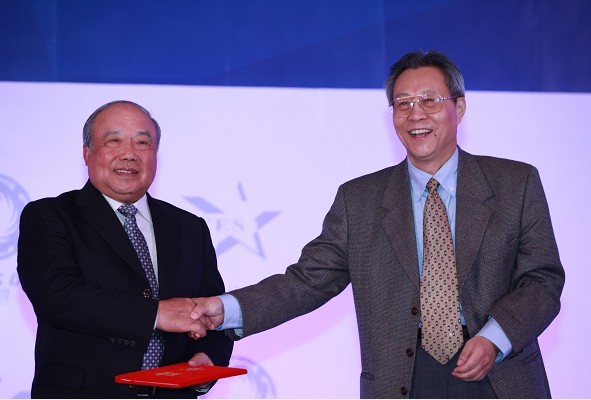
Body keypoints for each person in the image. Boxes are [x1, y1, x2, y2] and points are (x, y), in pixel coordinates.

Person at [190, 51, 565, 398]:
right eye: (403, 104)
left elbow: (542, 280)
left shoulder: (515, 184)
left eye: (430, 100)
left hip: (498, 374)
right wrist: (226, 309)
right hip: (400, 381)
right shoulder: (359, 200)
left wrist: (495, 338)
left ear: (460, 107)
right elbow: (305, 282)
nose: (415, 114)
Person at [17, 100, 233, 398]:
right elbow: (58, 296)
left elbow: (211, 311)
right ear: (87, 152)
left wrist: (207, 359)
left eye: (142, 143)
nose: (129, 154)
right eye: (114, 141)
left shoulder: (189, 227)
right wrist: (155, 314)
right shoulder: (50, 216)